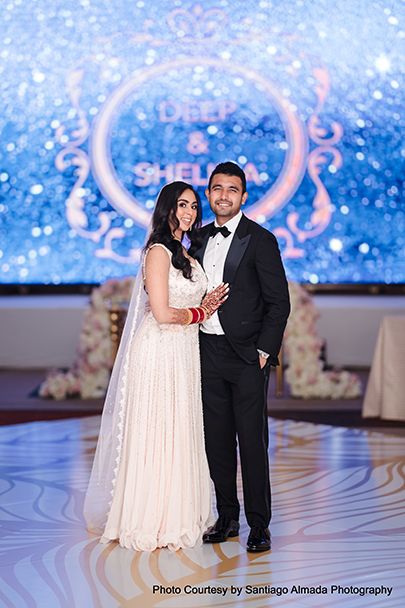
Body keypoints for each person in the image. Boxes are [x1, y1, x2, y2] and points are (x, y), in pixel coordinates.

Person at [83, 181, 228, 552]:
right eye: (182, 205)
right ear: (167, 209)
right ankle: (152, 519)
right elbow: (162, 313)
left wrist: (206, 305)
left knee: (181, 429)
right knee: (158, 430)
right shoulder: (158, 251)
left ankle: (182, 513)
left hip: (184, 351)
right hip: (159, 350)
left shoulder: (186, 252)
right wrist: (202, 311)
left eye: (193, 205)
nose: (189, 212)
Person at [195, 162, 290, 552]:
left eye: (232, 189)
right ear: (209, 194)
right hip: (205, 352)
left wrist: (264, 351)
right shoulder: (196, 239)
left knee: (252, 442)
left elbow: (278, 302)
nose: (223, 195)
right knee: (216, 442)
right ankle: (227, 518)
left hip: (248, 357)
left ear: (244, 196)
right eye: (217, 188)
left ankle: (260, 525)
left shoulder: (260, 239)